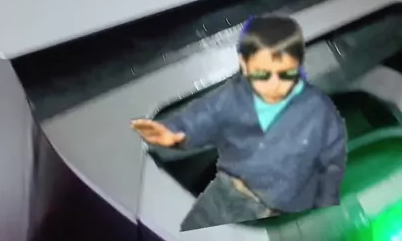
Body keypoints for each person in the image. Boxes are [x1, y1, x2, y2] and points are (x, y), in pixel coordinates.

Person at [132, 15, 347, 232]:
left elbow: (333, 155)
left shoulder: (315, 107)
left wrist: (326, 201)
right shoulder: (234, 98)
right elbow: (205, 116)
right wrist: (174, 133)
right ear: (245, 65)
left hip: (279, 207)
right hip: (230, 194)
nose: (275, 85)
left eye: (286, 74)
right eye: (263, 74)